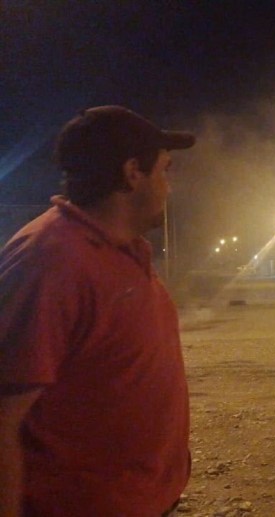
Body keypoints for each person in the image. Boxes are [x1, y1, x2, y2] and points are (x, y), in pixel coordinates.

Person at [0, 106, 196, 516]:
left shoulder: (122, 248)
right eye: (165, 170)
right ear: (132, 173)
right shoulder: (51, 260)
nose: (169, 186)